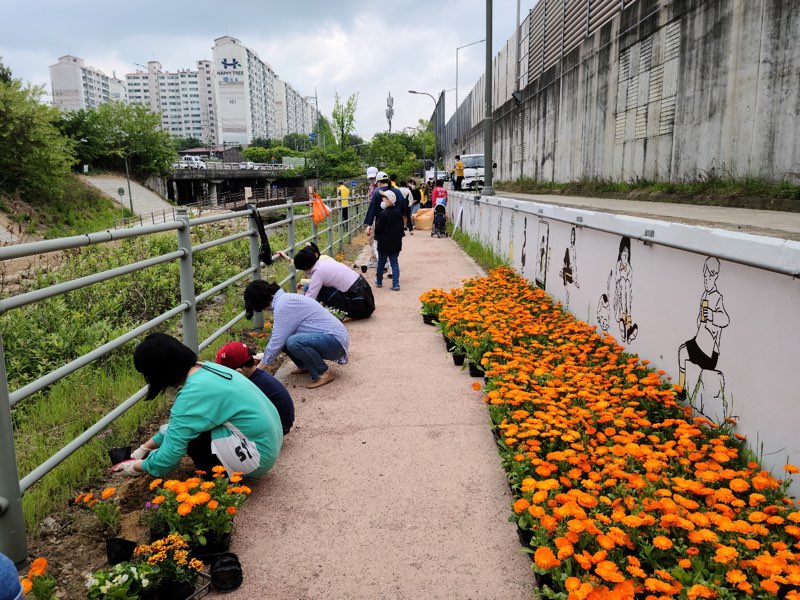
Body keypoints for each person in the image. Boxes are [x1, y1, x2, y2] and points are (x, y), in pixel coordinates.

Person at [111, 333, 284, 478]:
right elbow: (180, 425)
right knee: (190, 429)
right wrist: (145, 448)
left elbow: (167, 460)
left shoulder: (191, 395)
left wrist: (136, 466)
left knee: (195, 440)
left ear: (159, 372)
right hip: (269, 443)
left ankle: (217, 479)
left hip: (257, 457)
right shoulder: (206, 368)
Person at [244, 280, 349, 389]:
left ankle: (322, 372)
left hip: (335, 342)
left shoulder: (283, 305)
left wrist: (257, 371)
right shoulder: (284, 300)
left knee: (293, 342)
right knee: (282, 338)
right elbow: (277, 337)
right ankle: (305, 365)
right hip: (330, 338)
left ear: (260, 302)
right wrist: (264, 357)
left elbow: (277, 342)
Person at [215, 341, 295, 435]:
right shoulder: (259, 377)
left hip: (275, 430)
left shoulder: (250, 386)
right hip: (282, 424)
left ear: (238, 372)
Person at [293, 241, 375, 320]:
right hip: (366, 300)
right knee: (314, 286)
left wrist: (295, 312)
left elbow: (309, 298)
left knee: (316, 290)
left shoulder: (318, 272)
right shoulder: (324, 261)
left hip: (360, 307)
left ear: (306, 267)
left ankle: (318, 314)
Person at [374, 189, 405, 291]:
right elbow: (401, 228)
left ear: (389, 201)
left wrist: (377, 237)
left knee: (381, 263)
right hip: (395, 242)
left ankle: (379, 282)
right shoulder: (398, 213)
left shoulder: (383, 214)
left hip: (383, 243)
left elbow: (378, 229)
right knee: (394, 263)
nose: (382, 200)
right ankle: (396, 284)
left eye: (384, 199)